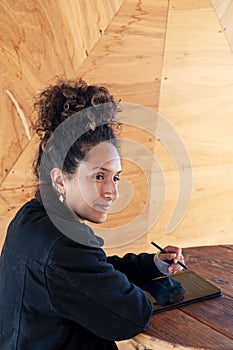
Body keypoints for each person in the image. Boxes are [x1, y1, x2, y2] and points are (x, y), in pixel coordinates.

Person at [0, 79, 185, 350]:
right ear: (60, 179)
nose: (113, 192)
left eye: (116, 178)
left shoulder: (31, 218)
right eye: (99, 176)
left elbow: (93, 273)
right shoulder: (65, 244)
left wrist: (151, 265)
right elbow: (131, 317)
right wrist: (152, 293)